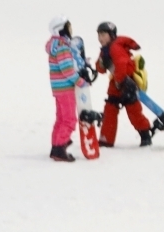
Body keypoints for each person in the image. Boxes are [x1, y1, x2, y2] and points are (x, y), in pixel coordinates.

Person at [95, 21, 153, 147]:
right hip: (115, 84)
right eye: (99, 35)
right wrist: (101, 63)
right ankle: (106, 139)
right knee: (110, 110)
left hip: (127, 82)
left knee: (133, 111)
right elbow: (101, 69)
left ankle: (145, 134)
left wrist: (121, 82)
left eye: (103, 35)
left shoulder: (115, 47)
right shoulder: (105, 50)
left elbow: (122, 64)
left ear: (111, 35)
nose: (100, 38)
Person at [46, 16, 87, 162]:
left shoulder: (55, 45)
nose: (70, 30)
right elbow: (67, 70)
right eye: (68, 27)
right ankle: (59, 147)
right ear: (61, 29)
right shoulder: (62, 46)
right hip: (66, 89)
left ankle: (57, 144)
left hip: (58, 89)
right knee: (69, 119)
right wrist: (80, 81)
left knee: (61, 118)